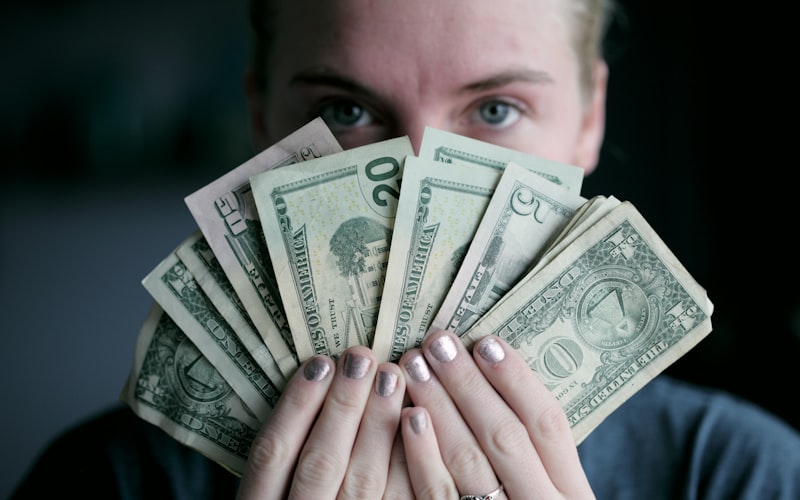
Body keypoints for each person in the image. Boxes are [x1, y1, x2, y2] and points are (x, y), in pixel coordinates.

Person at [11, 0, 800, 498]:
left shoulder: (747, 475)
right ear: (259, 115)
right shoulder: (106, 481)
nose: (418, 176)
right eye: (346, 107)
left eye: (495, 108)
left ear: (591, 118)